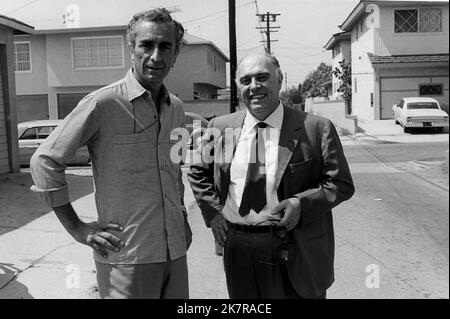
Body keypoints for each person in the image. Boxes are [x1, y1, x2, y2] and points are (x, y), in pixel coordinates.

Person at [30, 8, 191, 299]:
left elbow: (174, 172)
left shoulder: (176, 108)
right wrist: (78, 228)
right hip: (127, 258)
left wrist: (183, 220)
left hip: (176, 253)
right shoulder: (102, 103)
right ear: (132, 49)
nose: (156, 56)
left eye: (165, 46)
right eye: (146, 45)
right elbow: (44, 162)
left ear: (176, 53)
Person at [187, 53, 355, 299]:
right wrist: (213, 213)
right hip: (239, 248)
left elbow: (340, 183)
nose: (254, 86)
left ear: (279, 80)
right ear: (238, 87)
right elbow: (197, 170)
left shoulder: (317, 128)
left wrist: (302, 203)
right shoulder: (220, 127)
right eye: (246, 80)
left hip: (295, 248)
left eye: (262, 77)